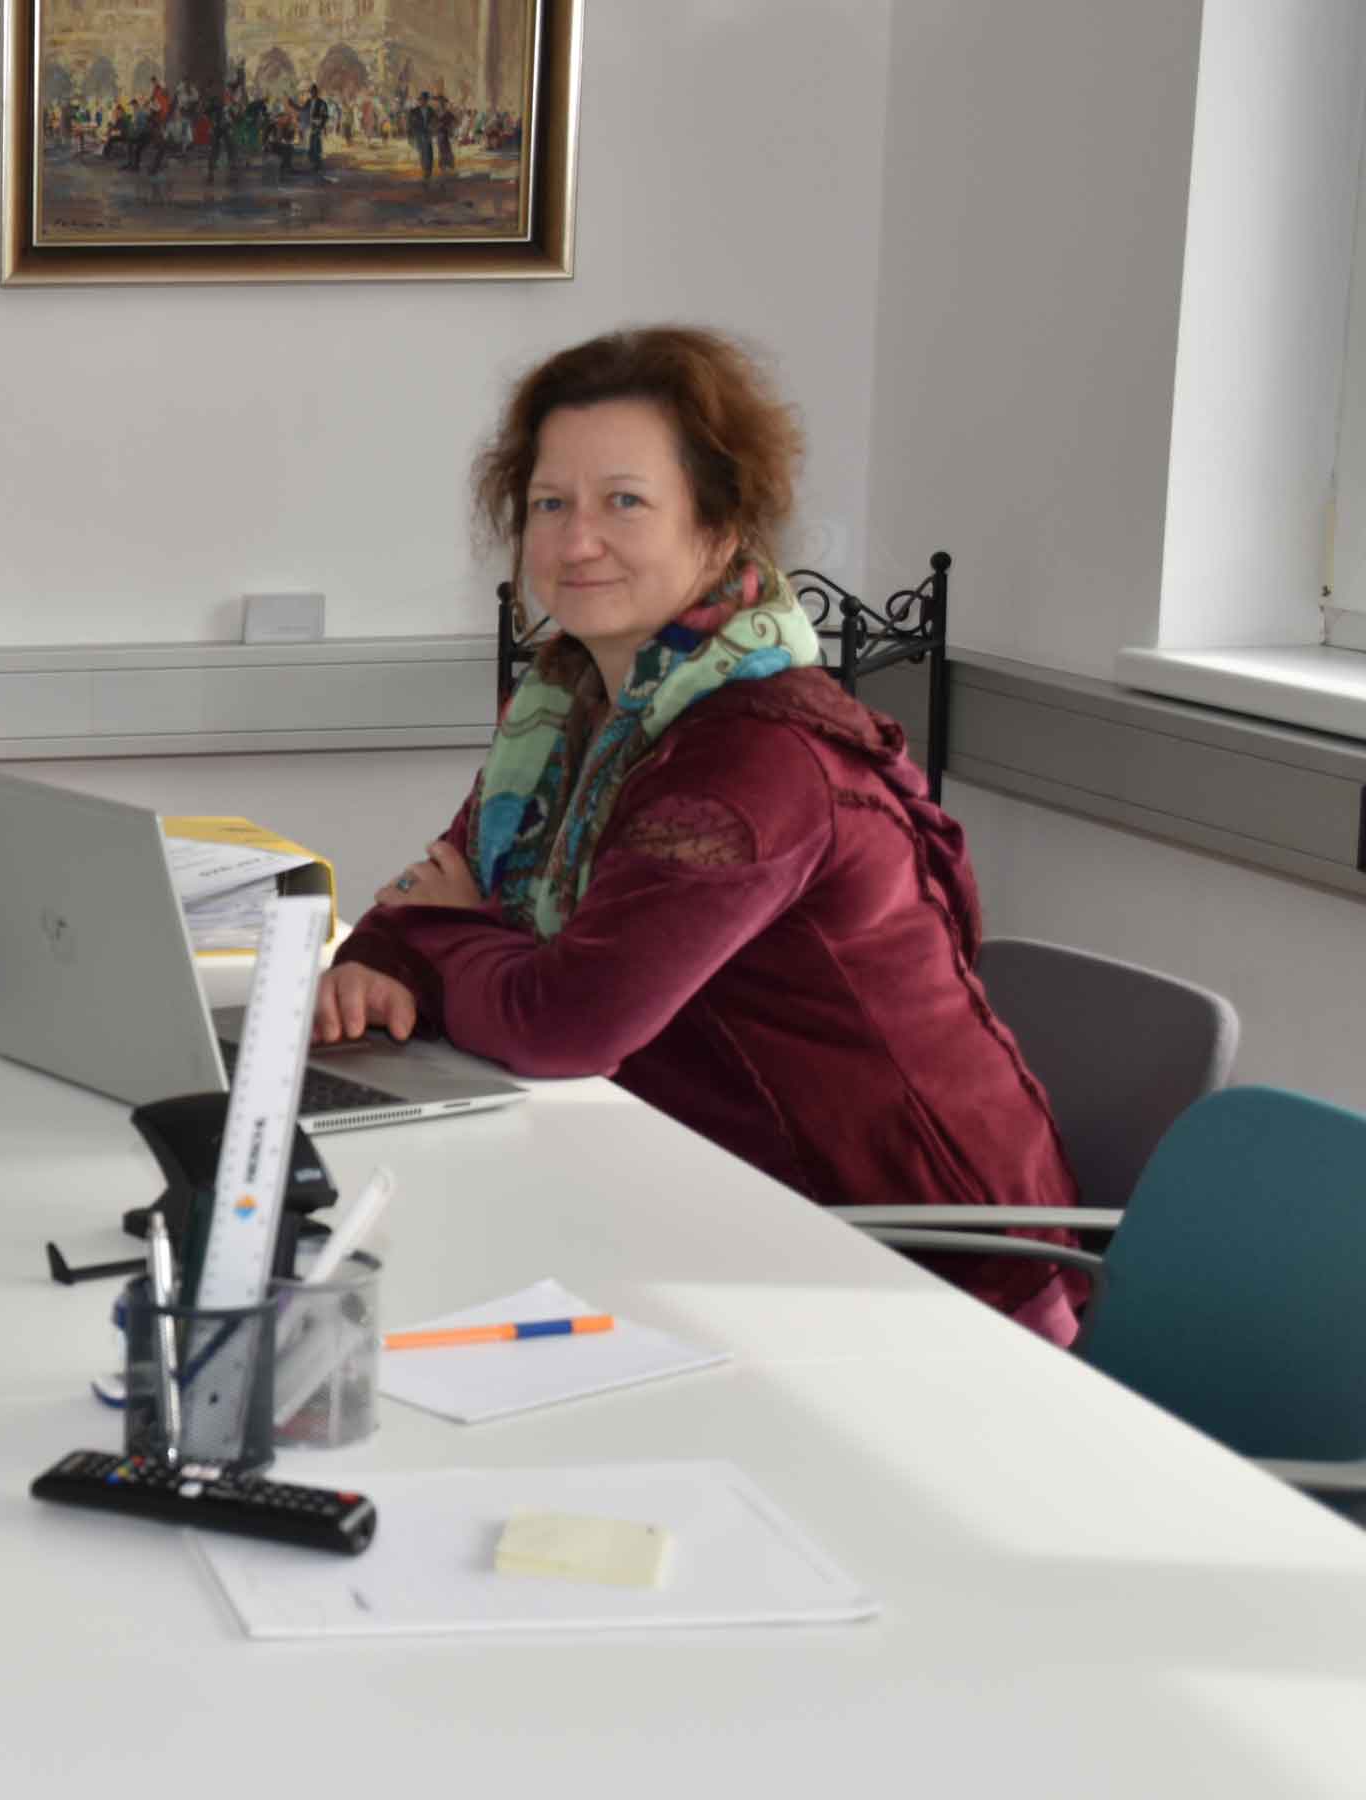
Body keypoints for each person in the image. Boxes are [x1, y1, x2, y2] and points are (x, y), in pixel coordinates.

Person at [318, 326, 1088, 1342]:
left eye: (622, 502)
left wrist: (428, 939)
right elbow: (445, 878)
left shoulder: (750, 760)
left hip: (917, 1268)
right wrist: (384, 946)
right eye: (550, 504)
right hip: (712, 1204)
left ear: (720, 530)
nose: (574, 539)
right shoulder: (572, 701)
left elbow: (561, 1025)